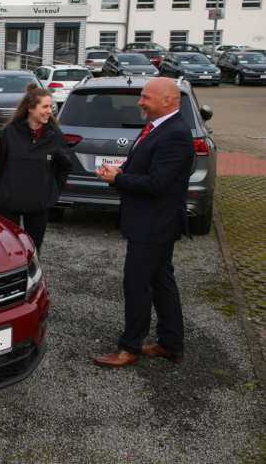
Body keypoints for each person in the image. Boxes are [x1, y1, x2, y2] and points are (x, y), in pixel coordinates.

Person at [93, 77, 194, 367]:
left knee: (137, 284)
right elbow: (149, 167)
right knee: (161, 281)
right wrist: (121, 170)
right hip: (153, 223)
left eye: (146, 98)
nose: (140, 102)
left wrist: (119, 179)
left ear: (167, 101)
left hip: (155, 225)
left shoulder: (174, 132)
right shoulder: (157, 127)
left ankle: (129, 348)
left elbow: (157, 184)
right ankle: (170, 343)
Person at [0, 83, 72, 254]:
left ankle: (32, 280)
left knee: (33, 252)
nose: (49, 111)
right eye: (45, 106)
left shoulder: (55, 135)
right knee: (10, 252)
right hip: (7, 205)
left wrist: (52, 192)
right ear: (31, 108)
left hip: (38, 207)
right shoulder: (9, 132)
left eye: (50, 106)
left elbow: (64, 166)